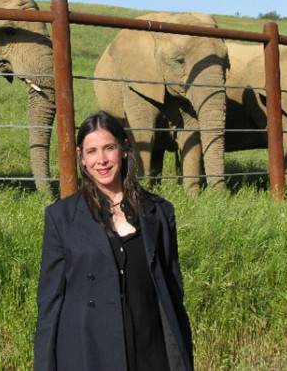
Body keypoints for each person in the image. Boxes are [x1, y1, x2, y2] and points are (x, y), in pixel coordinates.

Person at [34, 111, 194, 371]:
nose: (102, 160)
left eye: (109, 148)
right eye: (92, 151)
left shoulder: (160, 212)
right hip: (88, 352)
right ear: (81, 158)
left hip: (150, 350)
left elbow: (173, 296)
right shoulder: (61, 218)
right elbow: (49, 305)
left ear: (124, 149)